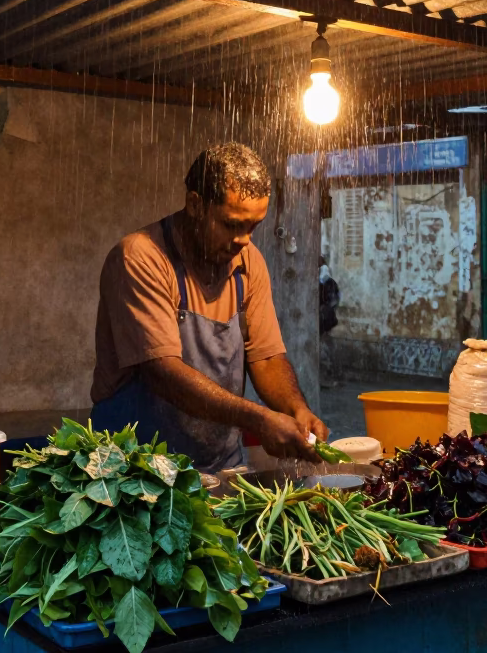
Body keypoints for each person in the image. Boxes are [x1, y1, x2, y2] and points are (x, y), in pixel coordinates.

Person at [89, 142, 328, 473]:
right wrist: (259, 419)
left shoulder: (249, 262)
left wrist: (296, 409)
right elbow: (164, 373)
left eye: (253, 226)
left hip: (217, 470)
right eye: (231, 224)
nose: (244, 239)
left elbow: (267, 357)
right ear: (195, 204)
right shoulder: (141, 258)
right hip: (131, 472)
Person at [318, 256, 340, 388]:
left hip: (325, 322)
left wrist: (324, 310)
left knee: (325, 349)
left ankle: (329, 377)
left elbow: (333, 301)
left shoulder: (328, 283)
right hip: (324, 322)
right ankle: (327, 378)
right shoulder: (323, 283)